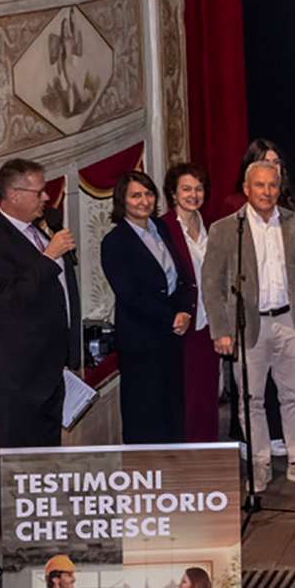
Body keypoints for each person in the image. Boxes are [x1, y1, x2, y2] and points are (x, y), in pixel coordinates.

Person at [199, 160, 295, 491]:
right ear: (246, 188)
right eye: (259, 185)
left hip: (288, 321)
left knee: (293, 394)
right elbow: (211, 284)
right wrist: (221, 330)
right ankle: (259, 463)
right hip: (248, 325)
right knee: (251, 398)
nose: (267, 192)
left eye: (272, 185)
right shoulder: (226, 229)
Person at [0, 159, 82, 448]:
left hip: (49, 371)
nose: (47, 197)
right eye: (39, 192)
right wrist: (49, 257)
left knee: (48, 458)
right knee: (22, 461)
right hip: (19, 378)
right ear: (14, 195)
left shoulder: (37, 230)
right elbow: (10, 299)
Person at [100, 170, 194, 444]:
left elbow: (178, 276)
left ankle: (175, 463)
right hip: (140, 341)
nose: (144, 201)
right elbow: (130, 294)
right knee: (145, 413)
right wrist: (170, 317)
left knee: (172, 408)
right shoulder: (115, 242)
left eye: (148, 194)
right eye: (136, 195)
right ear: (122, 201)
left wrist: (184, 310)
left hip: (171, 337)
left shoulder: (161, 228)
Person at [161, 162, 221, 442]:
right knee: (184, 396)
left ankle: (208, 449)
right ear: (173, 193)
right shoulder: (163, 228)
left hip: (210, 323)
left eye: (198, 189)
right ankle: (187, 454)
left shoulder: (212, 226)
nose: (193, 195)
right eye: (186, 189)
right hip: (182, 324)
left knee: (208, 394)